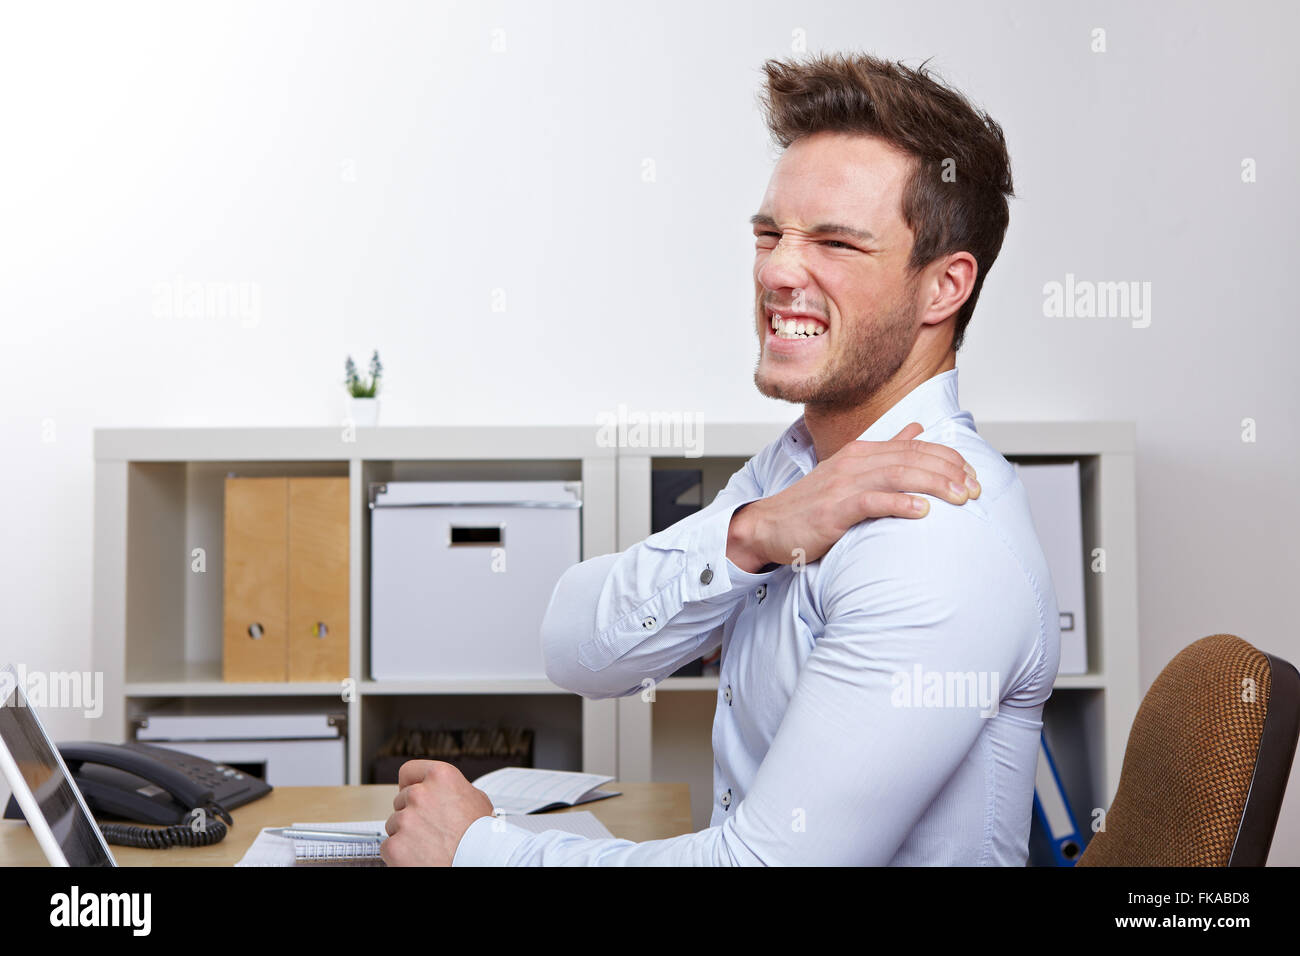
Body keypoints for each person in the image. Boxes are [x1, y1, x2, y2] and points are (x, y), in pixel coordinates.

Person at [382, 50, 1060, 866]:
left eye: (836, 243)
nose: (777, 269)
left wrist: (475, 850)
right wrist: (749, 533)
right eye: (770, 234)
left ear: (944, 287)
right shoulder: (797, 470)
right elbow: (576, 647)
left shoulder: (935, 537)